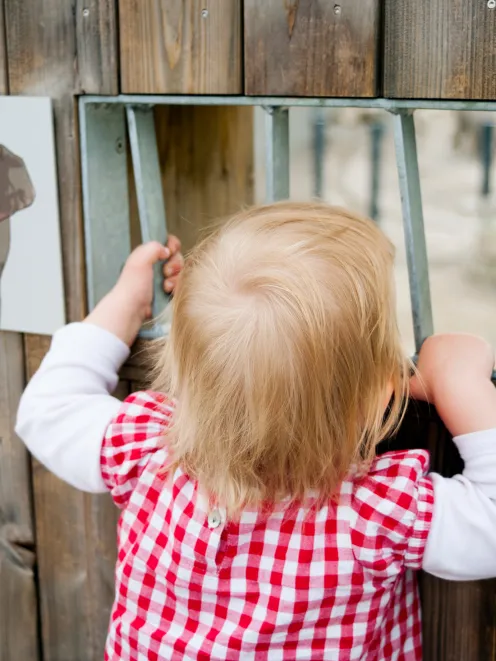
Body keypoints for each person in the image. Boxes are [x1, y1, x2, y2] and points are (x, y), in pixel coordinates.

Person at [16, 202, 496, 661]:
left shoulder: (146, 451)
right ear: (378, 396)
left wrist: (123, 305)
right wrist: (461, 383)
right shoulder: (372, 513)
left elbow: (48, 409)